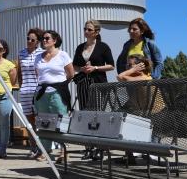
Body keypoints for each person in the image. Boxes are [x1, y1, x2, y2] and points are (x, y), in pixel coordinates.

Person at [34, 30, 74, 162]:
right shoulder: (38, 57)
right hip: (42, 92)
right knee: (43, 122)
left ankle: (64, 152)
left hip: (58, 92)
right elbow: (38, 75)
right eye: (42, 39)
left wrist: (60, 85)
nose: (44, 40)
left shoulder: (63, 55)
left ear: (55, 40)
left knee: (61, 121)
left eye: (47, 38)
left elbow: (71, 74)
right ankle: (45, 151)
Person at [72, 19, 115, 106]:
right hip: (83, 84)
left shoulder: (103, 47)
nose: (86, 31)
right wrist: (81, 69)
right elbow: (74, 66)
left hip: (98, 83)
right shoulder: (80, 47)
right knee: (84, 110)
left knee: (98, 111)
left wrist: (95, 68)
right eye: (85, 29)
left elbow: (111, 66)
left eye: (89, 29)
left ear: (96, 32)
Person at [17, 28, 44, 159]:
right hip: (25, 91)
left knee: (39, 120)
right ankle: (33, 148)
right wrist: (22, 86)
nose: (29, 41)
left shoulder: (41, 53)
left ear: (37, 41)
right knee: (29, 122)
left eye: (32, 39)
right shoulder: (21, 53)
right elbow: (20, 74)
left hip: (38, 90)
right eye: (28, 38)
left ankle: (42, 149)